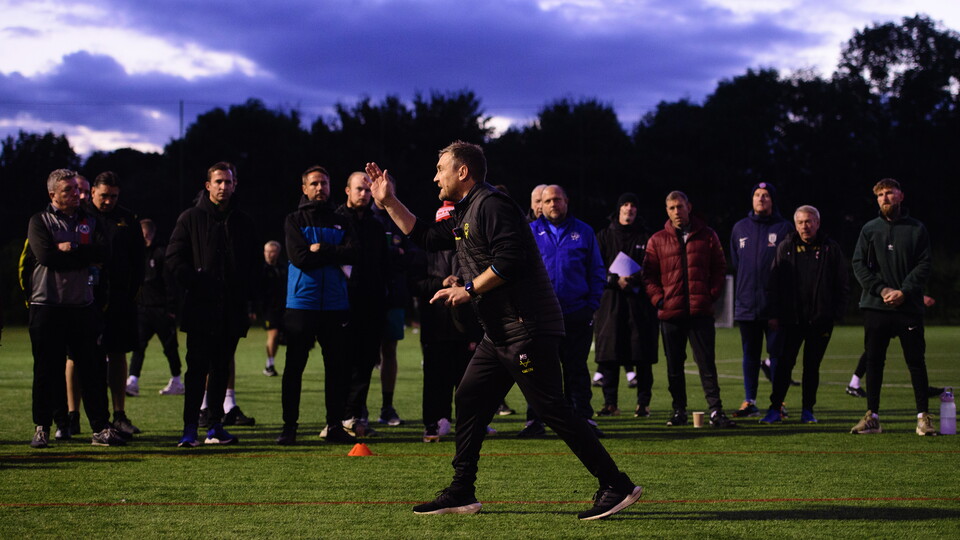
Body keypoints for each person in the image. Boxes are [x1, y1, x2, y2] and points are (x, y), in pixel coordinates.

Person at [367, 140, 642, 520]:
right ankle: (462, 490)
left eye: (441, 169)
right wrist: (388, 201)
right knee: (468, 396)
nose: (435, 177)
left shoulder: (492, 205)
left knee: (552, 409)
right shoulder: (465, 210)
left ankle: (616, 484)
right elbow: (428, 238)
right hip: (500, 333)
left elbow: (509, 261)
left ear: (463, 172)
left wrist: (467, 289)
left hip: (527, 328)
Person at [22, 168, 125, 447]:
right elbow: (46, 256)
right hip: (47, 306)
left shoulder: (91, 221)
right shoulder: (39, 221)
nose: (76, 195)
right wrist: (78, 254)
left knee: (92, 370)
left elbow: (104, 253)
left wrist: (71, 249)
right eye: (68, 190)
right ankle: (42, 427)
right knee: (46, 370)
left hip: (82, 306)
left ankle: (100, 428)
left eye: (77, 190)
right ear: (52, 194)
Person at [166, 161, 258, 447]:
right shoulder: (190, 218)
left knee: (221, 368)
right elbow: (173, 259)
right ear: (208, 185)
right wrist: (194, 281)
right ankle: (190, 428)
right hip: (200, 308)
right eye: (218, 182)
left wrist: (248, 297)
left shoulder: (242, 221)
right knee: (196, 370)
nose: (223, 187)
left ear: (234, 185)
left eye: (228, 182)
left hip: (230, 310)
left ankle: (215, 426)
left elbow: (254, 266)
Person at [277, 166, 357, 445]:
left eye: (324, 183)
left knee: (337, 369)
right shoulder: (294, 219)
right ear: (304, 188)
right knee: (293, 368)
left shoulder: (341, 220)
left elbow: (353, 253)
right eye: (314, 183)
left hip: (335, 304)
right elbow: (299, 258)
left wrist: (321, 249)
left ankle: (334, 425)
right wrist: (334, 253)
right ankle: (289, 427)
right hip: (301, 304)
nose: (320, 188)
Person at [642, 191, 735, 428]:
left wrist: (709, 295)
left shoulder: (708, 236)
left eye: (680, 207)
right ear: (667, 210)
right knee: (674, 366)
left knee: (706, 364)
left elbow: (719, 268)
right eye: (672, 208)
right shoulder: (657, 240)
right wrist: (659, 300)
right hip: (670, 313)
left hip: (700, 312)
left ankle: (715, 411)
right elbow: (648, 275)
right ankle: (678, 411)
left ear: (689, 207)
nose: (676, 212)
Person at [850, 179, 936, 436]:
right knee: (874, 362)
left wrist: (904, 290)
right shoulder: (869, 229)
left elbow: (924, 264)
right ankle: (872, 417)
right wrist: (883, 290)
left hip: (908, 307)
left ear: (901, 196)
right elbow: (858, 264)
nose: (885, 198)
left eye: (889, 193)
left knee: (916, 362)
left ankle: (923, 417)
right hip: (876, 306)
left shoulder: (916, 229)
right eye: (880, 195)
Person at [520, 185, 605, 438]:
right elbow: (520, 273)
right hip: (541, 315)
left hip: (577, 311)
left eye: (557, 199)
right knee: (539, 370)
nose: (553, 204)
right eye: (548, 201)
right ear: (540, 205)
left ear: (566, 201)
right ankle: (535, 420)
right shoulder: (529, 232)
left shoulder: (584, 231)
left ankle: (583, 419)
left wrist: (591, 305)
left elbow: (597, 271)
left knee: (576, 368)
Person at [759, 206, 849, 424]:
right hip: (791, 319)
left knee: (812, 367)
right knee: (783, 365)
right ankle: (775, 409)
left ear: (817, 223)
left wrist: (835, 312)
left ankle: (808, 410)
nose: (804, 226)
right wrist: (773, 313)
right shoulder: (786, 247)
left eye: (809, 222)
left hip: (820, 320)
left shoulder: (830, 248)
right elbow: (773, 283)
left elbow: (842, 283)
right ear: (795, 224)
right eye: (800, 222)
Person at [411, 202, 485, 442]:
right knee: (435, 378)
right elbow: (415, 285)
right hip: (436, 325)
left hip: (466, 325)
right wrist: (441, 283)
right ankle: (434, 422)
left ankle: (472, 422)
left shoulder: (470, 248)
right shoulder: (423, 252)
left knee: (468, 378)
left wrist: (464, 284)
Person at [86, 171, 145, 436]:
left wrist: (132, 292)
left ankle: (119, 414)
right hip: (87, 298)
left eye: (113, 196)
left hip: (120, 298)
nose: (108, 201)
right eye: (103, 195)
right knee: (84, 357)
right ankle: (74, 416)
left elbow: (138, 260)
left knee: (119, 352)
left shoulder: (128, 218)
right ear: (92, 192)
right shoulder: (81, 216)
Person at [728, 182, 793, 418]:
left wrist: (780, 305)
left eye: (765, 195)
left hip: (773, 307)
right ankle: (749, 401)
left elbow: (788, 270)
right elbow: (738, 263)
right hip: (746, 305)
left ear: (772, 200)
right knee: (750, 356)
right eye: (757, 195)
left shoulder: (784, 227)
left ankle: (779, 403)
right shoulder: (739, 228)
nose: (761, 199)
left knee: (776, 355)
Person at [593, 193, 659, 418]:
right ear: (618, 209)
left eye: (633, 206)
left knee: (642, 355)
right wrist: (613, 279)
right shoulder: (603, 236)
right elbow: (593, 267)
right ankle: (610, 403)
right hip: (610, 304)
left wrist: (635, 279)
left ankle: (643, 404)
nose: (629, 209)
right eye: (625, 205)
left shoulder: (647, 236)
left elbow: (653, 268)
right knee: (610, 355)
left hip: (639, 304)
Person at [336, 172, 388, 437]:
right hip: (342, 303)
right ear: (347, 190)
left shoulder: (376, 225)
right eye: (359, 189)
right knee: (343, 361)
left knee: (366, 361)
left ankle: (355, 415)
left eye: (368, 190)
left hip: (371, 303)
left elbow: (383, 264)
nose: (364, 194)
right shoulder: (336, 222)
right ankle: (340, 417)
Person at [844, 295, 943, 398]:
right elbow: (892, 282)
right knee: (879, 349)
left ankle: (922, 389)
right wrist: (917, 297)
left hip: (891, 308)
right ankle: (922, 392)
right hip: (888, 310)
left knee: (877, 349)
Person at [128, 218, 183, 396]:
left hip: (161, 310)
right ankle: (133, 381)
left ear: (150, 233)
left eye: (145, 235)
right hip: (143, 310)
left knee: (169, 348)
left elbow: (171, 283)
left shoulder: (161, 253)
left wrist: (172, 309)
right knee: (138, 346)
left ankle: (177, 380)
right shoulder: (137, 254)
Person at [259, 240, 287, 377]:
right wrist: (252, 308)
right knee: (273, 334)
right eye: (267, 251)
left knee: (279, 337)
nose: (269, 254)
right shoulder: (260, 269)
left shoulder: (283, 268)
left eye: (272, 251)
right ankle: (269, 365)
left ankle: (270, 362)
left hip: (283, 308)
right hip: (268, 308)